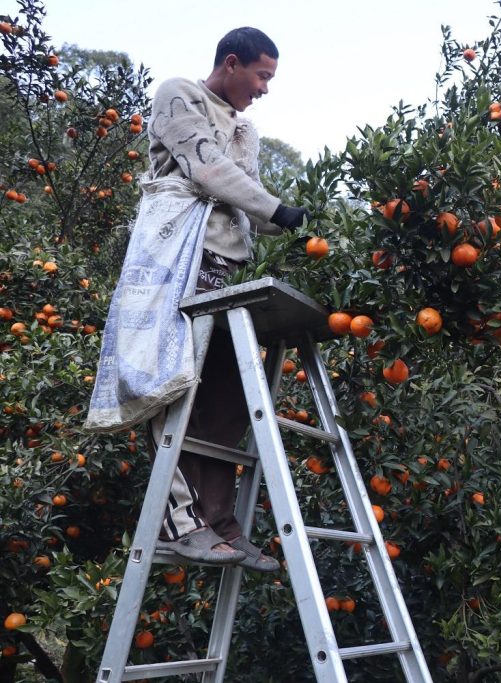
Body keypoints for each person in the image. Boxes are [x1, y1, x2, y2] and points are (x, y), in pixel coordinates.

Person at [145, 27, 309, 571]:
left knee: (229, 398)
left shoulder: (246, 129)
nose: (264, 89)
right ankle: (179, 524)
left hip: (229, 270)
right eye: (262, 75)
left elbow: (248, 206)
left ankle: (219, 521)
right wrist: (278, 210)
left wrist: (303, 227)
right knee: (173, 391)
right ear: (232, 63)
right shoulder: (179, 94)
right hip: (178, 262)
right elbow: (207, 170)